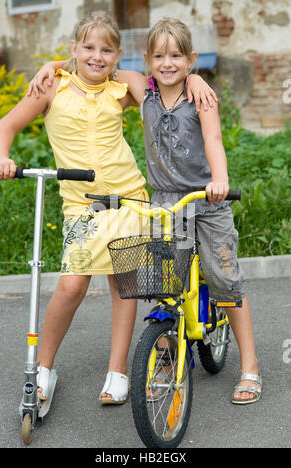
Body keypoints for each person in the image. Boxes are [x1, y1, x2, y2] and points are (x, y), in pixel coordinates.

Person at [0, 11, 216, 406]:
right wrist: (0, 156)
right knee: (73, 283)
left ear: (118, 57)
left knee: (124, 284)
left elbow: (166, 80)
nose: (97, 56)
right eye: (89, 48)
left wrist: (194, 76)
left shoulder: (123, 87)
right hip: (82, 205)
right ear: (75, 49)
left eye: (107, 50)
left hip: (129, 197)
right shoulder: (51, 86)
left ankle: (118, 371)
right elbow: (4, 127)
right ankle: (43, 367)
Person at [140, 17, 262, 405]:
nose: (168, 63)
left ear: (191, 59)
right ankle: (168, 351)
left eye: (177, 55)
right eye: (159, 56)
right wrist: (53, 67)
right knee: (165, 285)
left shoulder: (200, 97)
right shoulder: (143, 92)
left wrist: (220, 179)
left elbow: (213, 139)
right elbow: (102, 67)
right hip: (164, 203)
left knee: (225, 281)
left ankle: (250, 365)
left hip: (206, 202)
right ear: (148, 60)